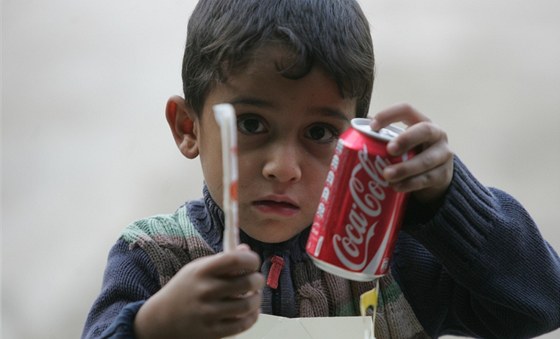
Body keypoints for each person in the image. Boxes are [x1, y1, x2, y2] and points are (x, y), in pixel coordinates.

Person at [82, 0, 560, 338]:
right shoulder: (153, 259)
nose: (283, 167)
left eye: (319, 133)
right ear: (189, 127)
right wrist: (150, 328)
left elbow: (539, 305)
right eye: (251, 124)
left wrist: (449, 201)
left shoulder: (392, 258)